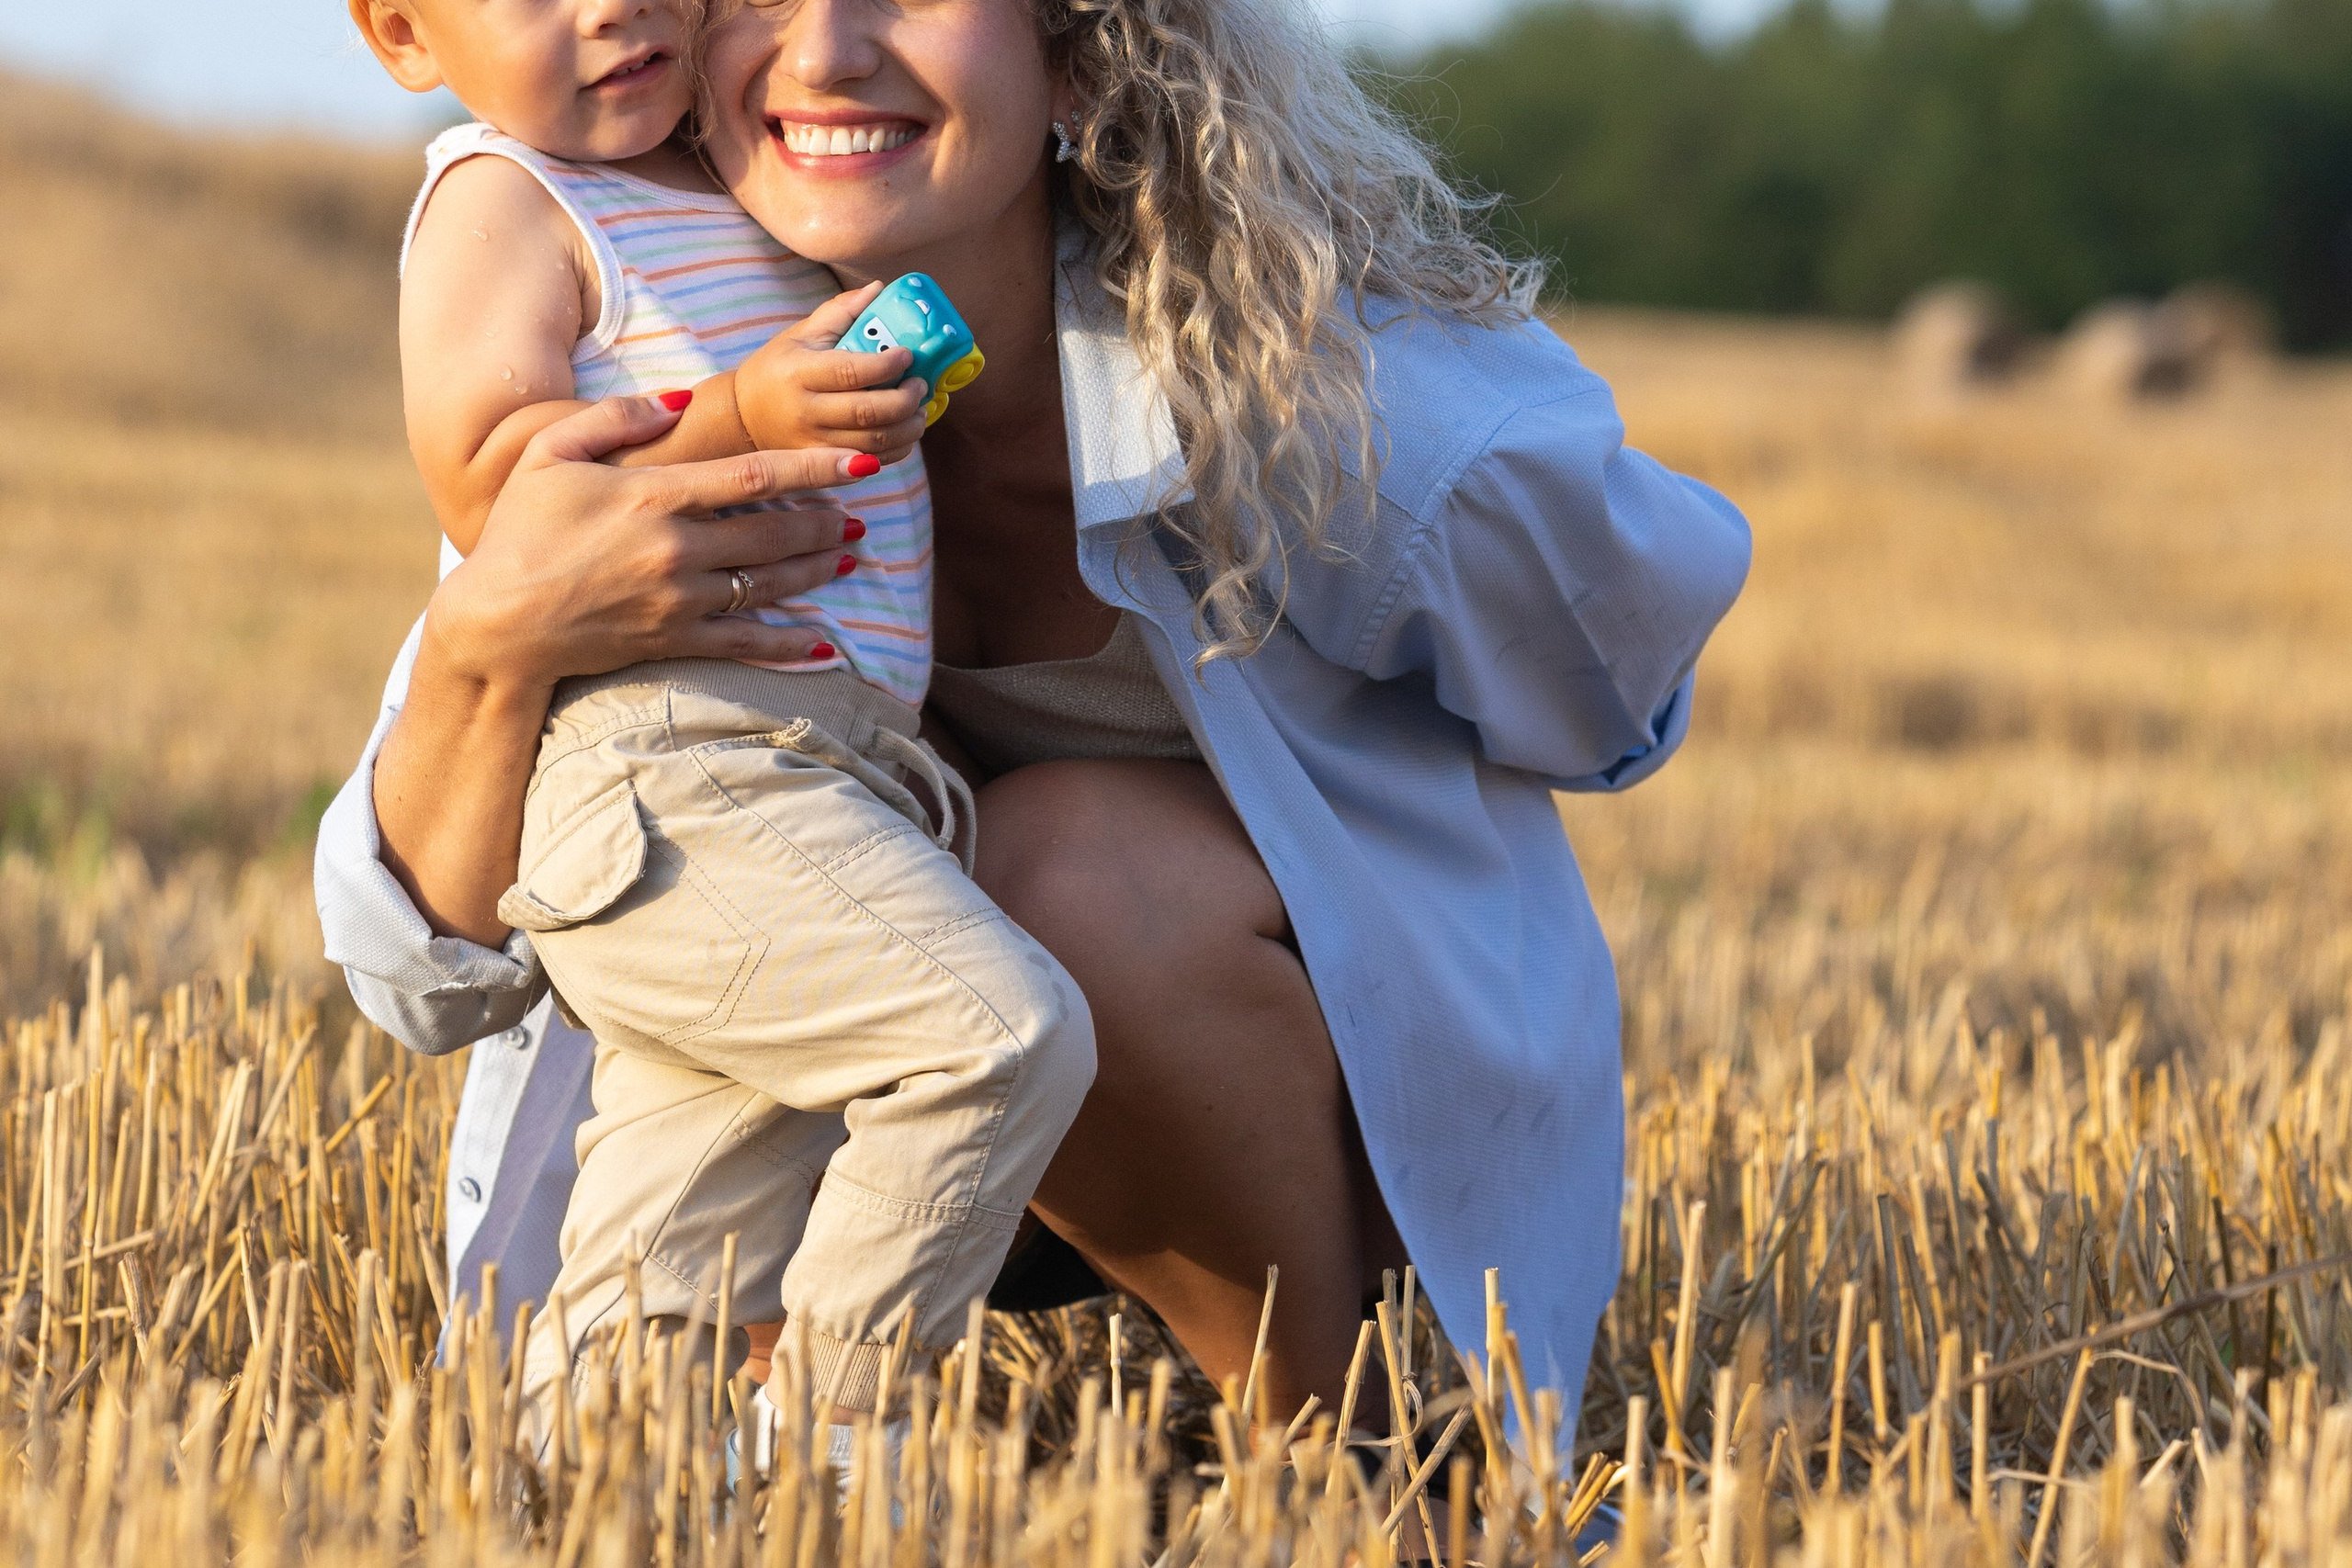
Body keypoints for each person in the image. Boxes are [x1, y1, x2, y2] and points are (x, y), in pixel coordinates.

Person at [317, 0, 1751, 1439]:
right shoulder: (654, 359)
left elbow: (1624, 680)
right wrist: (490, 635)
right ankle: (692, 1443)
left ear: (1077, 50)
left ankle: (1346, 1456)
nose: (821, 53)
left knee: (1059, 871)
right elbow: (421, 977)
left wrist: (1384, 486)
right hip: (908, 1085)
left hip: (1275, 1085)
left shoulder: (1300, 385)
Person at [343, 0, 1098, 1433]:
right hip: (674, 761)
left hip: (812, 777)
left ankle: (570, 1490)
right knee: (999, 1041)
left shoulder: (743, 178)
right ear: (403, 36)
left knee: (682, 1231)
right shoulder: (507, 199)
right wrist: (745, 413)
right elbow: (504, 499)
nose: (610, 7)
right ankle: (835, 1444)